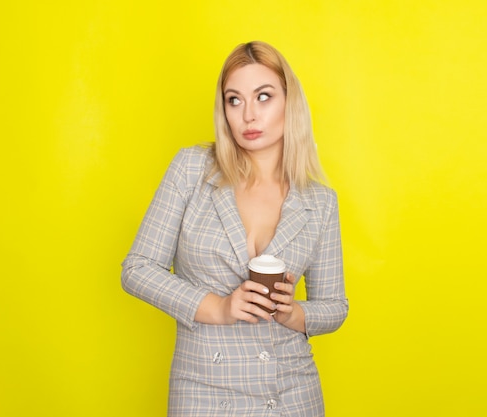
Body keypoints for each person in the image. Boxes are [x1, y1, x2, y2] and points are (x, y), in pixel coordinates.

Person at [121, 40, 348, 416]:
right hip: (204, 390)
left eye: (263, 96)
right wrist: (218, 307)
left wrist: (294, 314)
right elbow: (137, 269)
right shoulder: (193, 169)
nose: (248, 116)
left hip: (291, 392)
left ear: (289, 102)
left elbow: (335, 306)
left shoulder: (320, 202)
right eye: (234, 100)